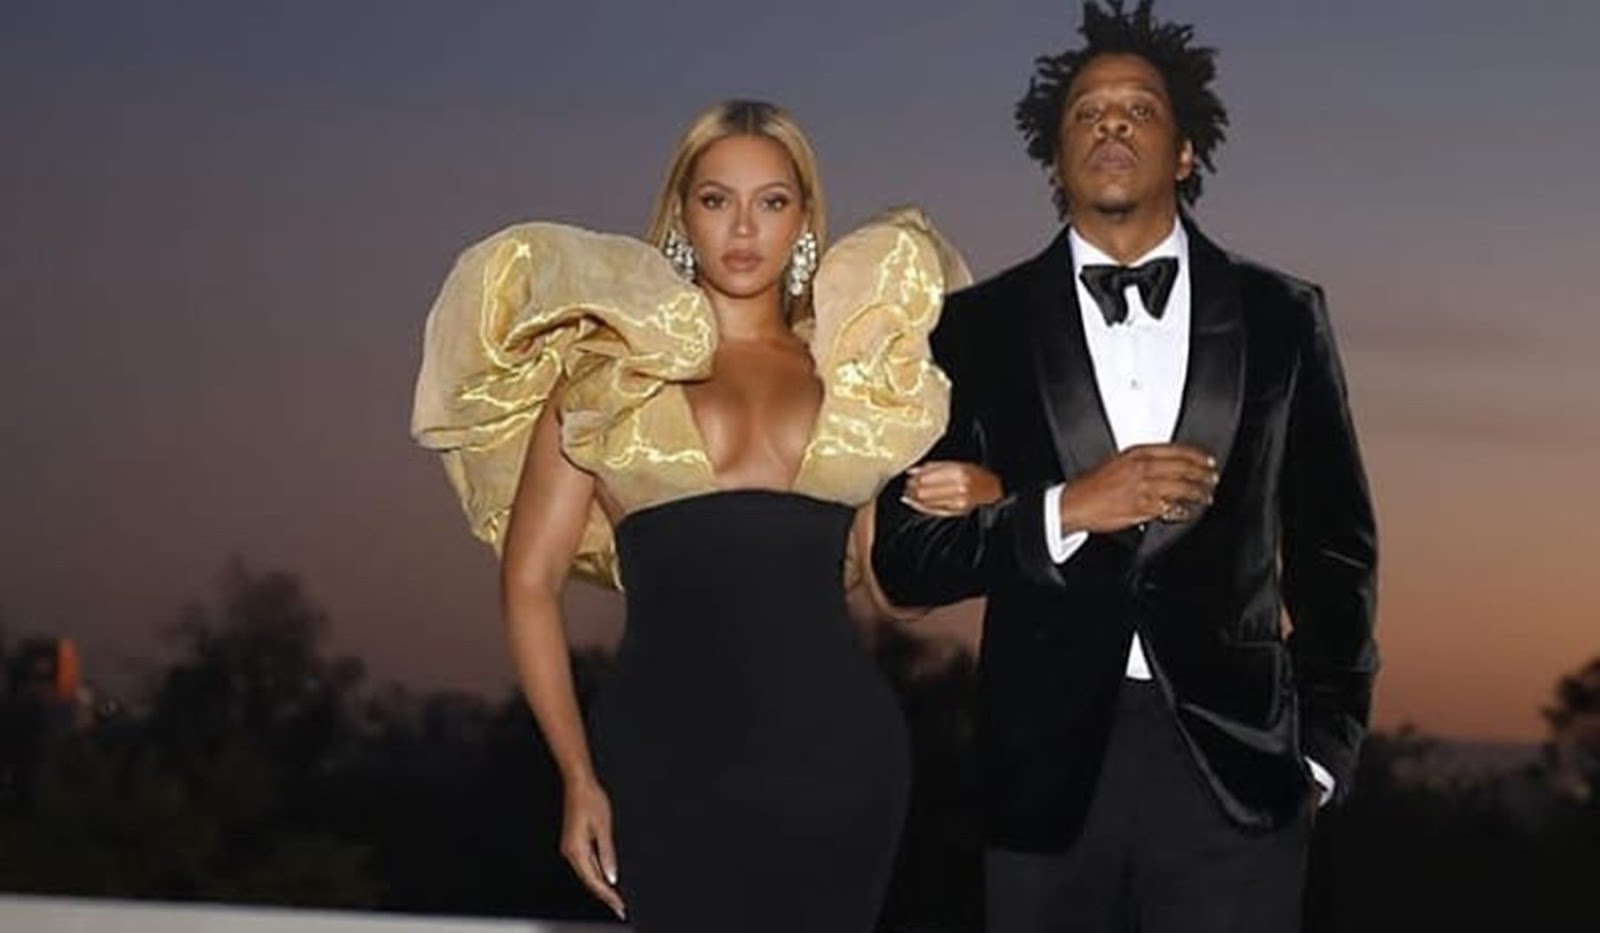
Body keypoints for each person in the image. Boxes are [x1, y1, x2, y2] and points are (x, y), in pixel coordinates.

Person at [412, 99, 994, 932]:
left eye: (772, 201)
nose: (744, 228)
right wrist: (576, 774)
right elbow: (529, 583)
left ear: (804, 222)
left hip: (838, 758)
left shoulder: (856, 381)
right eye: (718, 200)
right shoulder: (607, 378)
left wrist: (981, 504)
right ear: (683, 215)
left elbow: (895, 593)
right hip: (662, 756)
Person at [871, 2, 1379, 930]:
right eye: (1087, 113)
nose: (1111, 124)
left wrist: (1319, 754)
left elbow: (1336, 550)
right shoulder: (973, 328)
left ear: (1185, 151)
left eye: (1139, 109)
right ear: (1054, 157)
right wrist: (1060, 507)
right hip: (1042, 780)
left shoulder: (1283, 316)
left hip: (1241, 774)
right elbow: (905, 559)